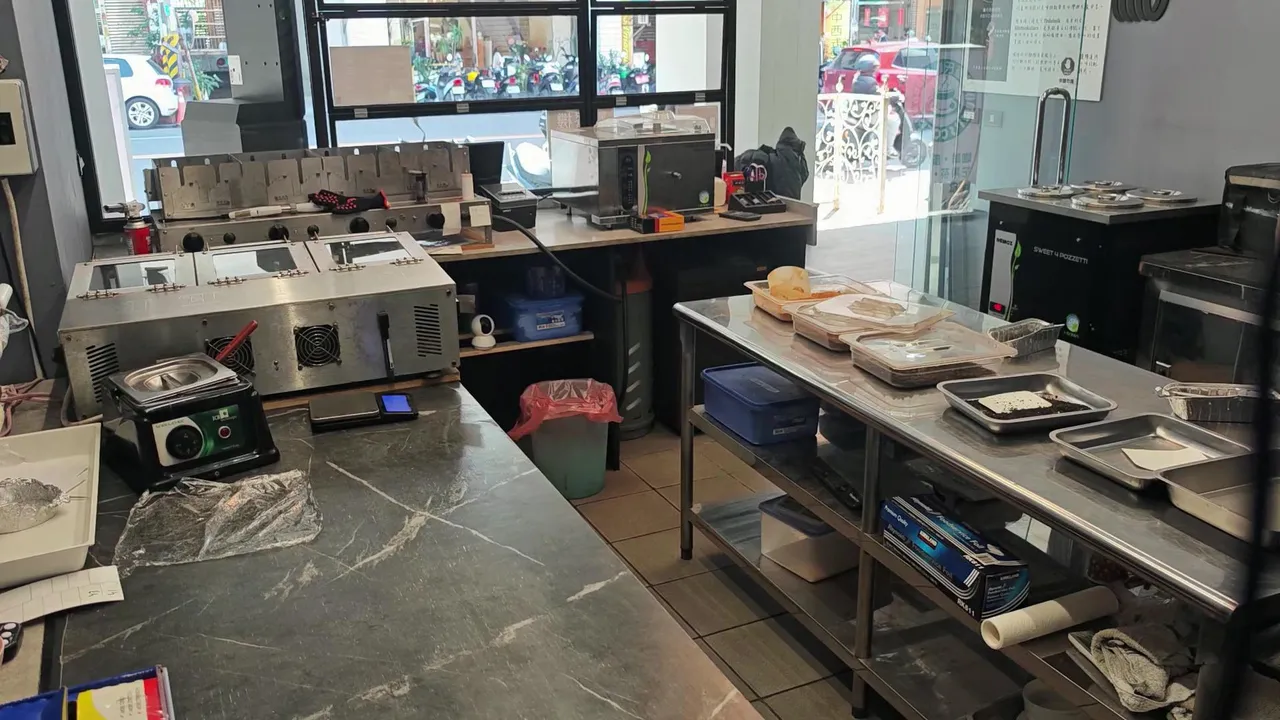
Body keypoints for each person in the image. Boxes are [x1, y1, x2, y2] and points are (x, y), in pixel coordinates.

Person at [850, 54, 901, 158]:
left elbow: (876, 92)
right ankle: (888, 149)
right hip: (869, 115)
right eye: (874, 67)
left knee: (889, 113)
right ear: (870, 68)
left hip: (861, 112)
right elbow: (880, 95)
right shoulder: (870, 82)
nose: (876, 70)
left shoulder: (858, 79)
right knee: (894, 120)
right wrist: (895, 96)